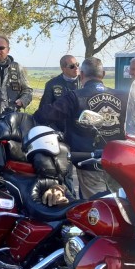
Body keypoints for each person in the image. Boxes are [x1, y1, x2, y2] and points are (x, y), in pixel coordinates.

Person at [34, 57, 127, 199]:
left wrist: (27, 120)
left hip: (89, 162)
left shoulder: (75, 97)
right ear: (103, 74)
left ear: (82, 75)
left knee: (94, 205)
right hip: (117, 160)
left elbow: (46, 114)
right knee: (120, 202)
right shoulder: (123, 96)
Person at [37, 54, 82, 196]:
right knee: (66, 171)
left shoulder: (84, 82)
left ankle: (86, 201)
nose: (76, 68)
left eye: (77, 64)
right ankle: (71, 199)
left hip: (81, 134)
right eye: (72, 66)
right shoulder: (52, 84)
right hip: (62, 134)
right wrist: (54, 132)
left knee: (85, 172)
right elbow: (45, 110)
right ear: (63, 68)